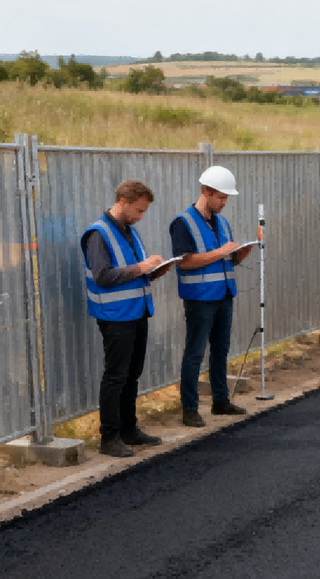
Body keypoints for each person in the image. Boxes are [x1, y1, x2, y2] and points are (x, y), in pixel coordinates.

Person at [81, 180, 171, 458]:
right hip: (115, 316)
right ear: (122, 201)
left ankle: (129, 429)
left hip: (137, 311)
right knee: (116, 376)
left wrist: (154, 271)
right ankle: (109, 437)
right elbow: (103, 276)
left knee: (132, 374)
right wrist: (141, 267)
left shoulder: (129, 231)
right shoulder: (98, 234)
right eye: (139, 210)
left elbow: (131, 272)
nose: (141, 216)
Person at [170, 165, 253, 427]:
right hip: (199, 298)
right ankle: (190, 409)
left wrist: (239, 255)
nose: (224, 202)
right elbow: (185, 262)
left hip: (224, 294)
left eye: (226, 197)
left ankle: (221, 400)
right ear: (205, 192)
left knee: (220, 349)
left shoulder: (222, 222)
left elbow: (227, 259)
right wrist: (221, 252)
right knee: (195, 352)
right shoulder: (182, 223)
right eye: (221, 197)